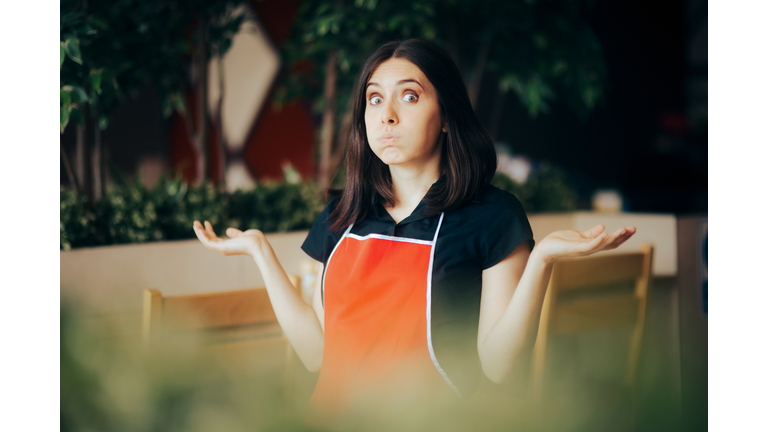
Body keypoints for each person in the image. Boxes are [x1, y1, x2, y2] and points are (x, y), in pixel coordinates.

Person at [193, 39, 636, 424]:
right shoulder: (342, 214)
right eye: (373, 99)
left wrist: (542, 261)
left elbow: (498, 366)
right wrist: (260, 252)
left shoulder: (493, 216)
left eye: (408, 96)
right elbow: (317, 355)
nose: (385, 116)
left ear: (446, 116)